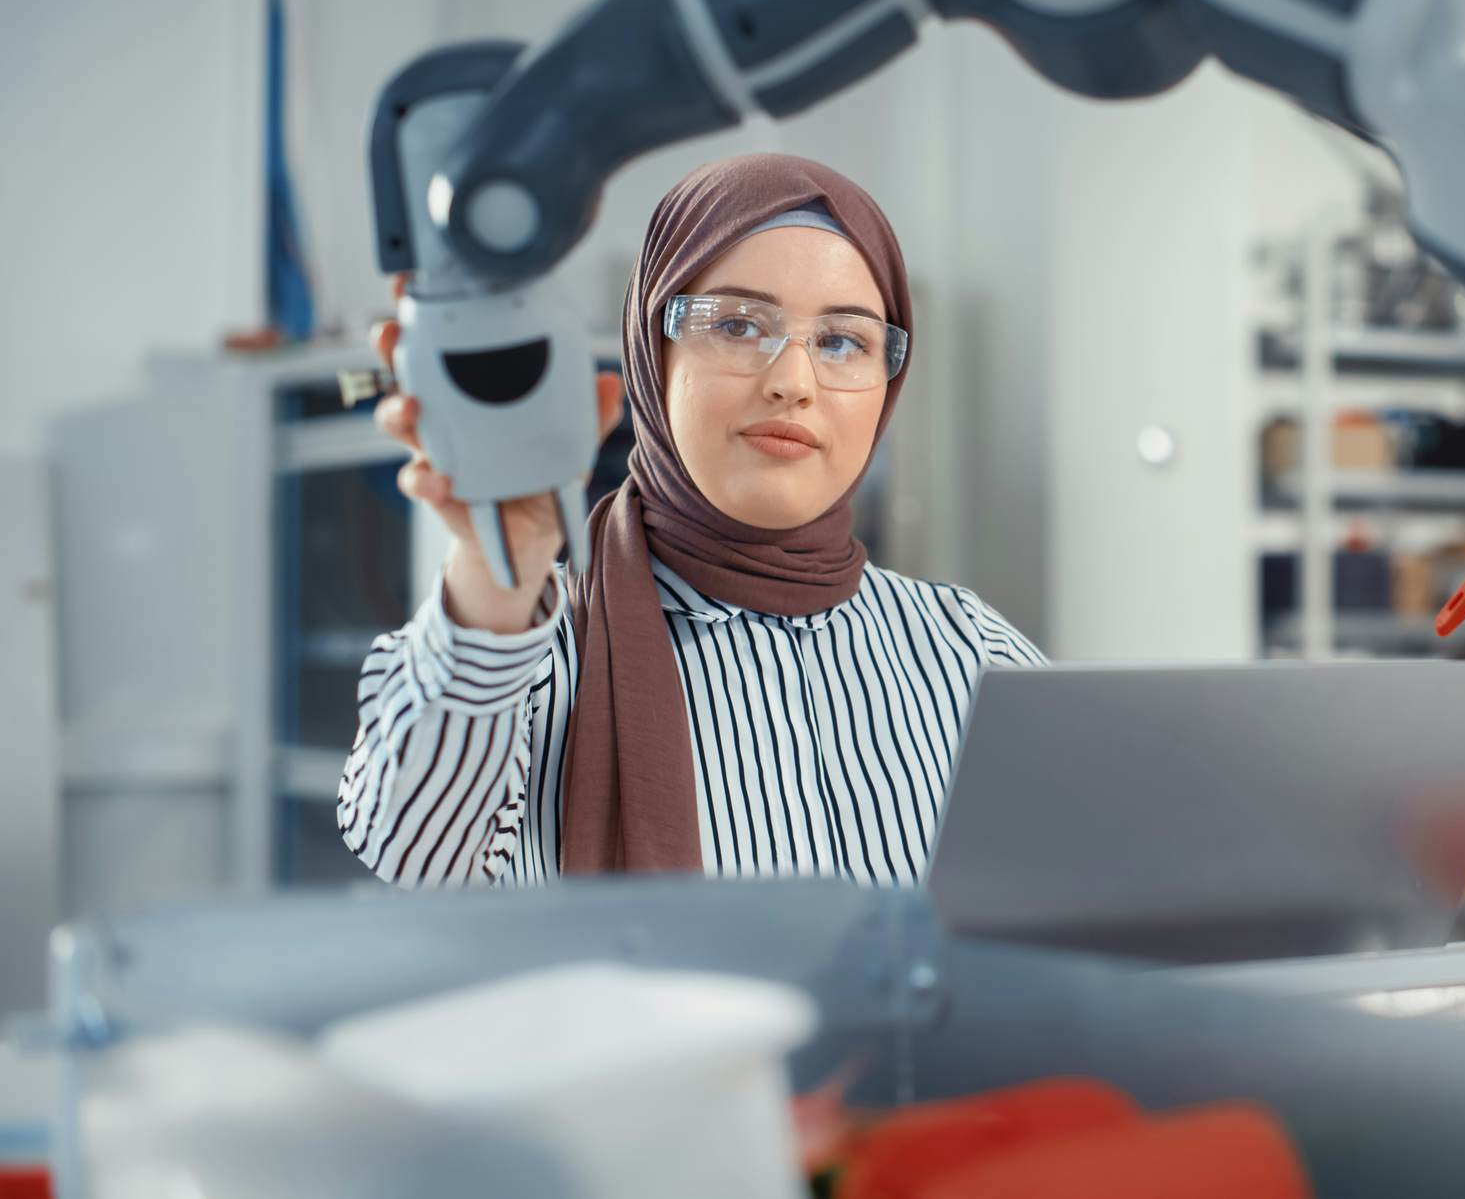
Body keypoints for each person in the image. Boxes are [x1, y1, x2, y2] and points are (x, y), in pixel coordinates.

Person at [338, 153, 1043, 889]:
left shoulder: (972, 654)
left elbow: (1091, 917)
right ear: (653, 351)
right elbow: (411, 857)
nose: (791, 383)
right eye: (738, 325)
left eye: (843, 341)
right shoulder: (534, 654)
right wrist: (494, 571)